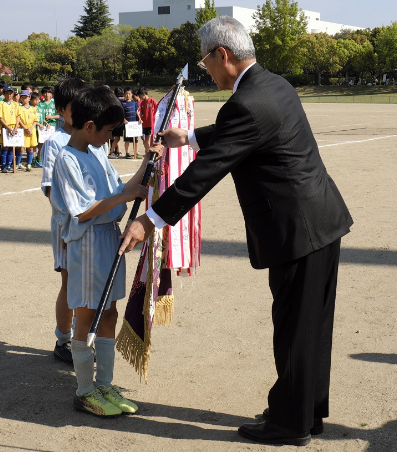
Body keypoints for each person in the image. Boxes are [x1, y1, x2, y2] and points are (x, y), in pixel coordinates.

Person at [119, 16, 353, 446]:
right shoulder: (273, 84)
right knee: (313, 327)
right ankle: (306, 411)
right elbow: (243, 131)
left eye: (205, 61)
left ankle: (289, 424)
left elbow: (204, 174)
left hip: (296, 230)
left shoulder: (245, 103)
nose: (205, 70)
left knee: (295, 328)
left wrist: (148, 219)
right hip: (321, 220)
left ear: (222, 55)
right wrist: (187, 136)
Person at [50, 85, 161, 417]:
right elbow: (82, 211)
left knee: (109, 312)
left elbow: (123, 190)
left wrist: (146, 162)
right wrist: (126, 198)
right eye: (109, 131)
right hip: (86, 245)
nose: (111, 138)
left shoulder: (96, 153)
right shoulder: (66, 159)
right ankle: (85, 391)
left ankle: (105, 383)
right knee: (86, 317)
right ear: (89, 127)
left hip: (109, 242)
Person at [40, 77, 88, 365]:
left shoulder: (92, 138)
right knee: (70, 281)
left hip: (91, 223)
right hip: (67, 226)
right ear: (60, 109)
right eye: (75, 107)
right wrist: (72, 218)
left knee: (87, 281)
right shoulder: (55, 142)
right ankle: (64, 339)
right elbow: (50, 190)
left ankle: (83, 335)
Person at [0, 85, 20, 173]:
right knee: (5, 147)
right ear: (4, 93)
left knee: (12, 147)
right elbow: (0, 117)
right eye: (7, 93)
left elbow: (18, 116)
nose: (9, 95)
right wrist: (8, 128)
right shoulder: (1, 103)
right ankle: (3, 165)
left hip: (14, 127)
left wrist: (16, 127)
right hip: (6, 127)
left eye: (10, 93)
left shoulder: (15, 104)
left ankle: (9, 165)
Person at [18, 90, 38, 171]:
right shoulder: (19, 108)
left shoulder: (33, 109)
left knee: (30, 148)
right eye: (22, 97)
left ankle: (29, 164)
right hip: (23, 130)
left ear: (29, 98)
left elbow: (35, 120)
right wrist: (25, 128)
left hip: (31, 130)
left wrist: (31, 128)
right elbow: (18, 119)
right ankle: (17, 163)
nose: (24, 99)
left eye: (26, 97)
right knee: (21, 148)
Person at [120, 86, 141, 159]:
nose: (127, 95)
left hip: (134, 124)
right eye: (126, 93)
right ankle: (127, 153)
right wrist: (123, 119)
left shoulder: (134, 103)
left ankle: (136, 152)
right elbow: (120, 113)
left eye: (129, 93)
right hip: (126, 125)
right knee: (127, 140)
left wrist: (140, 119)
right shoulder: (122, 103)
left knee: (136, 140)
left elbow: (137, 112)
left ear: (132, 94)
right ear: (124, 94)